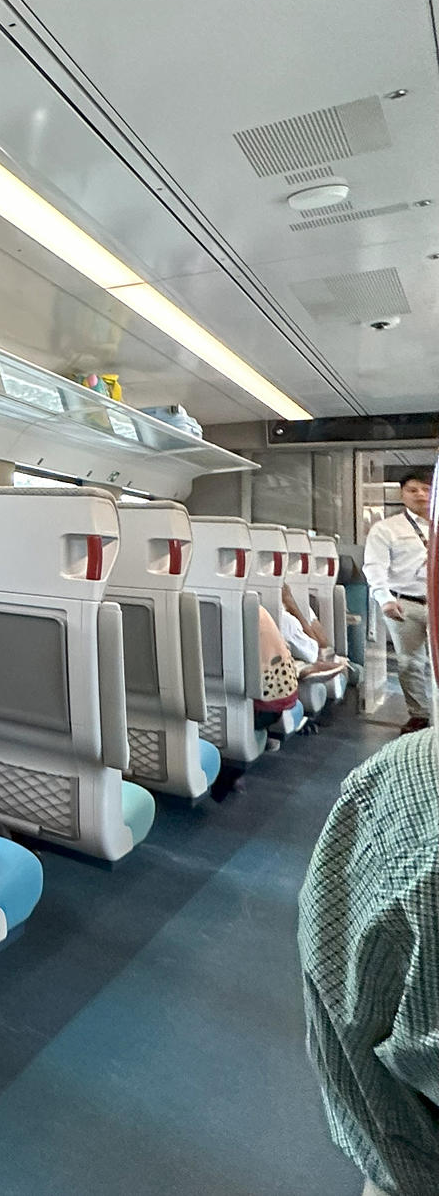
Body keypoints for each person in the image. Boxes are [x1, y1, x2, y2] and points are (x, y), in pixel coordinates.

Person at [300, 482, 439, 1196]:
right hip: (401, 608)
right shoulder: (390, 532)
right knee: (414, 674)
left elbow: (344, 1029)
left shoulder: (394, 794)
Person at [363, 471, 432, 733]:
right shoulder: (387, 529)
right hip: (405, 603)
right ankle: (420, 717)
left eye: (426, 489)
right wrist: (384, 599)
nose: (421, 495)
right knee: (411, 663)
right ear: (402, 494)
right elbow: (375, 567)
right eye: (413, 490)